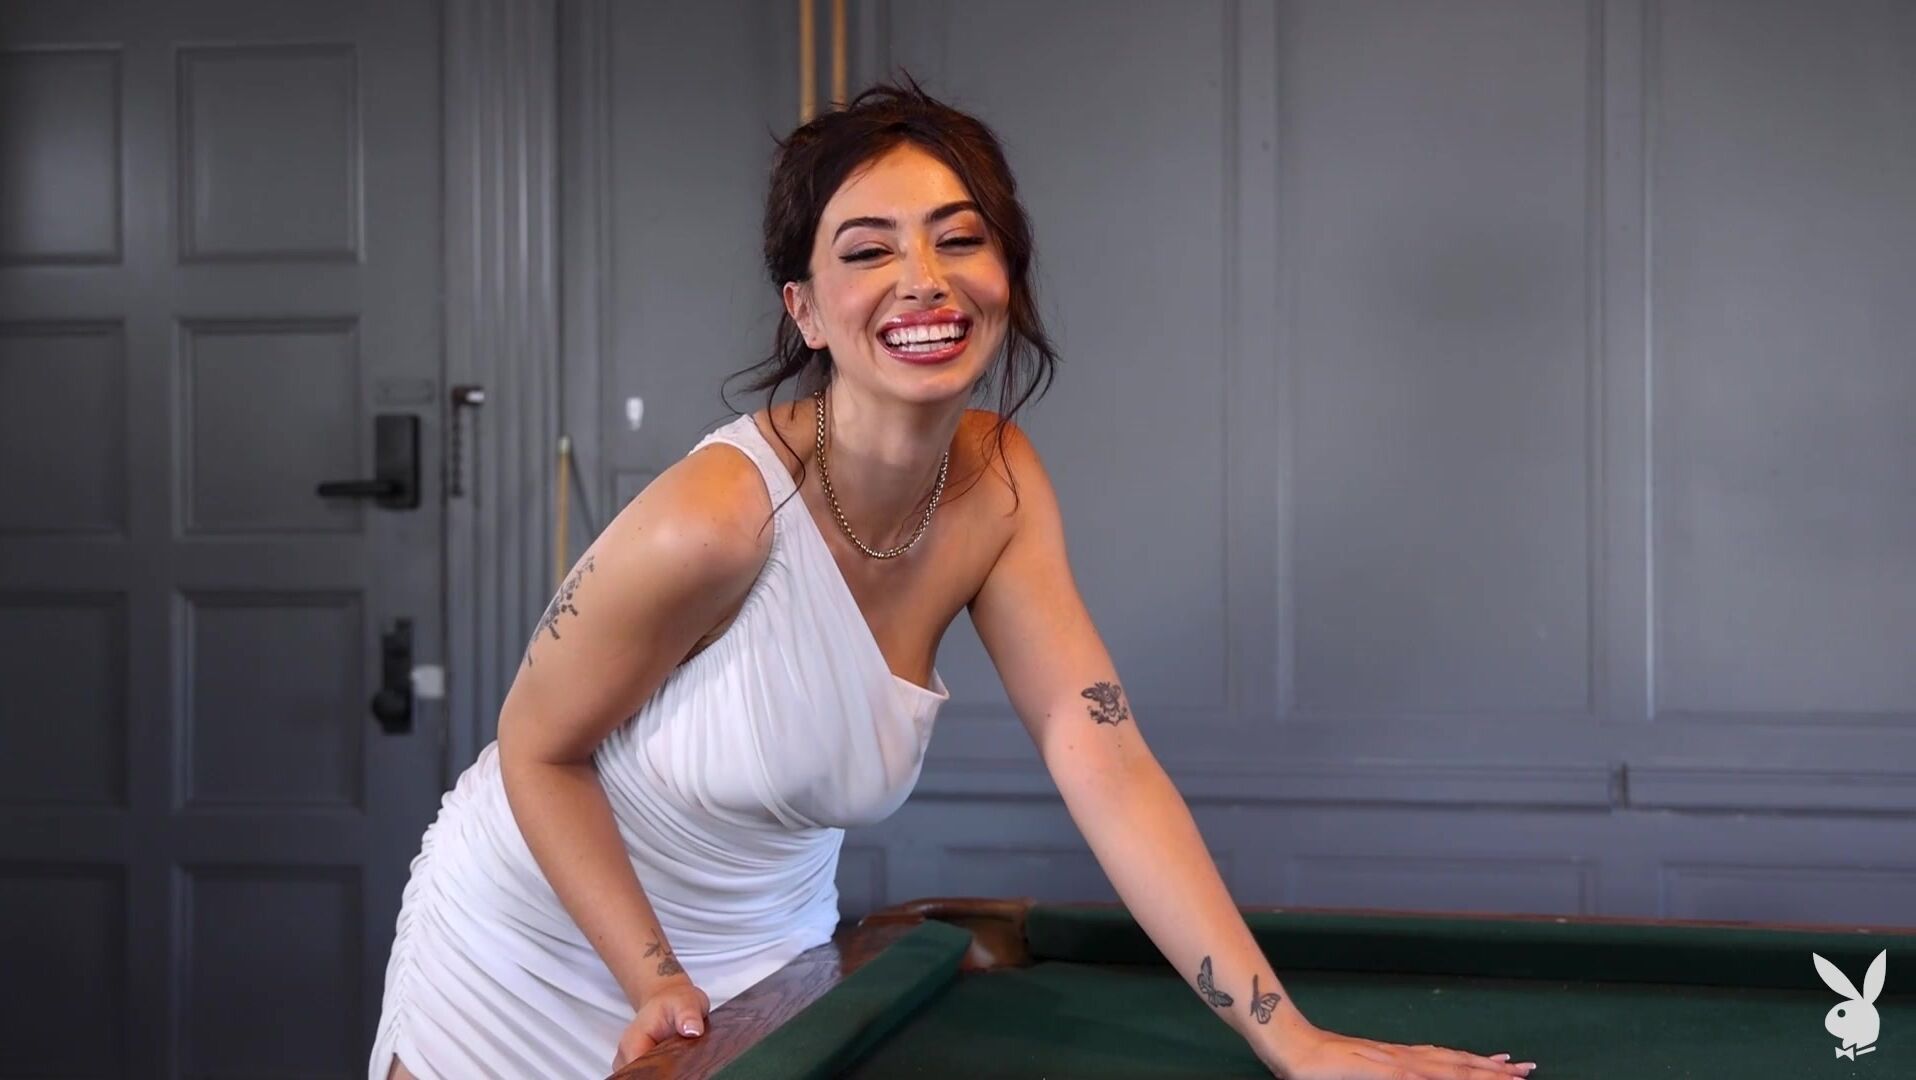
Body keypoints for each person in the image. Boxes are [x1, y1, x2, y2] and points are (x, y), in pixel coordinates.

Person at [369, 75, 1538, 1080]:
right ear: (804, 309)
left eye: (958, 238)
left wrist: (1294, 1042)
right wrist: (650, 976)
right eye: (867, 250)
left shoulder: (997, 482)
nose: (922, 279)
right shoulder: (713, 519)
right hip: (533, 946)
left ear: (1006, 274)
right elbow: (537, 750)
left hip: (767, 944)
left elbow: (1102, 758)